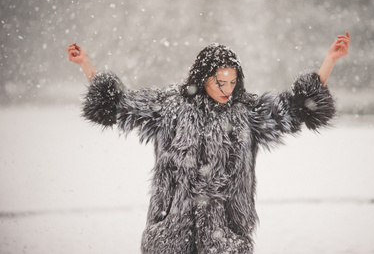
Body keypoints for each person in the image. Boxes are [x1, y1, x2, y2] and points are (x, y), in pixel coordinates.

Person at [67, 32, 350, 254]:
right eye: (219, 82)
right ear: (203, 78)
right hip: (170, 235)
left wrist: (330, 60)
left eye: (232, 82)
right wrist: (86, 65)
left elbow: (299, 107)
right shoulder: (169, 107)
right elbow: (117, 105)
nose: (227, 90)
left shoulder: (248, 112)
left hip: (225, 238)